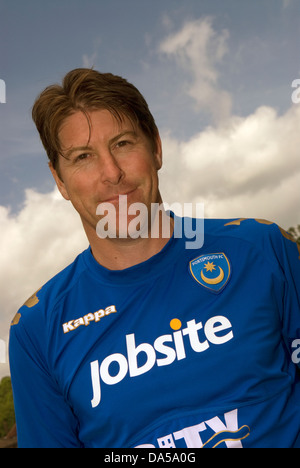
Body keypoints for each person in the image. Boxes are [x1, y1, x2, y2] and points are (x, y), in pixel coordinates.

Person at [9, 68, 300, 448]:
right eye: (83, 157)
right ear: (60, 181)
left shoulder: (261, 249)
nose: (111, 173)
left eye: (123, 143)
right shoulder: (36, 329)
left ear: (156, 148)